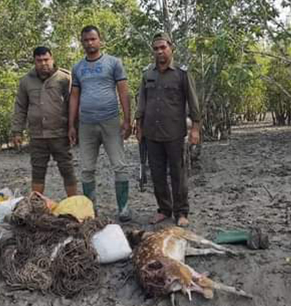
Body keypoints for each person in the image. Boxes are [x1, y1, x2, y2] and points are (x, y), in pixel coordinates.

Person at [134, 33, 201, 227]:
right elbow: (142, 101)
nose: (159, 52)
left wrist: (195, 129)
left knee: (178, 173)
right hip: (151, 133)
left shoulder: (182, 73)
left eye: (163, 47)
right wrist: (138, 126)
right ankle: (164, 209)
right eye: (156, 49)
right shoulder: (148, 74)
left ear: (171, 48)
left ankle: (181, 211)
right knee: (157, 173)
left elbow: (193, 103)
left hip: (174, 133)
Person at [68, 26, 132, 221]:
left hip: (110, 121)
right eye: (86, 40)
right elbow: (74, 96)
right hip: (86, 124)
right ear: (82, 42)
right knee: (86, 168)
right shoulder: (78, 67)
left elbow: (123, 91)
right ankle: (90, 210)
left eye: (93, 39)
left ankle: (124, 208)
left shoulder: (113, 63)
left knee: (119, 165)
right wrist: (71, 124)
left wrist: (128, 119)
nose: (90, 43)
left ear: (100, 40)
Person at [12, 46, 77, 197]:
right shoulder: (26, 81)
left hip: (60, 134)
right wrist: (17, 131)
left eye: (46, 59)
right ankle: (35, 207)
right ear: (34, 62)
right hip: (37, 136)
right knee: (38, 171)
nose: (43, 63)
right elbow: (20, 107)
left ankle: (75, 204)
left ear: (52, 58)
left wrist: (74, 128)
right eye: (39, 61)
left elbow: (73, 104)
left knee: (67, 169)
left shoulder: (64, 78)